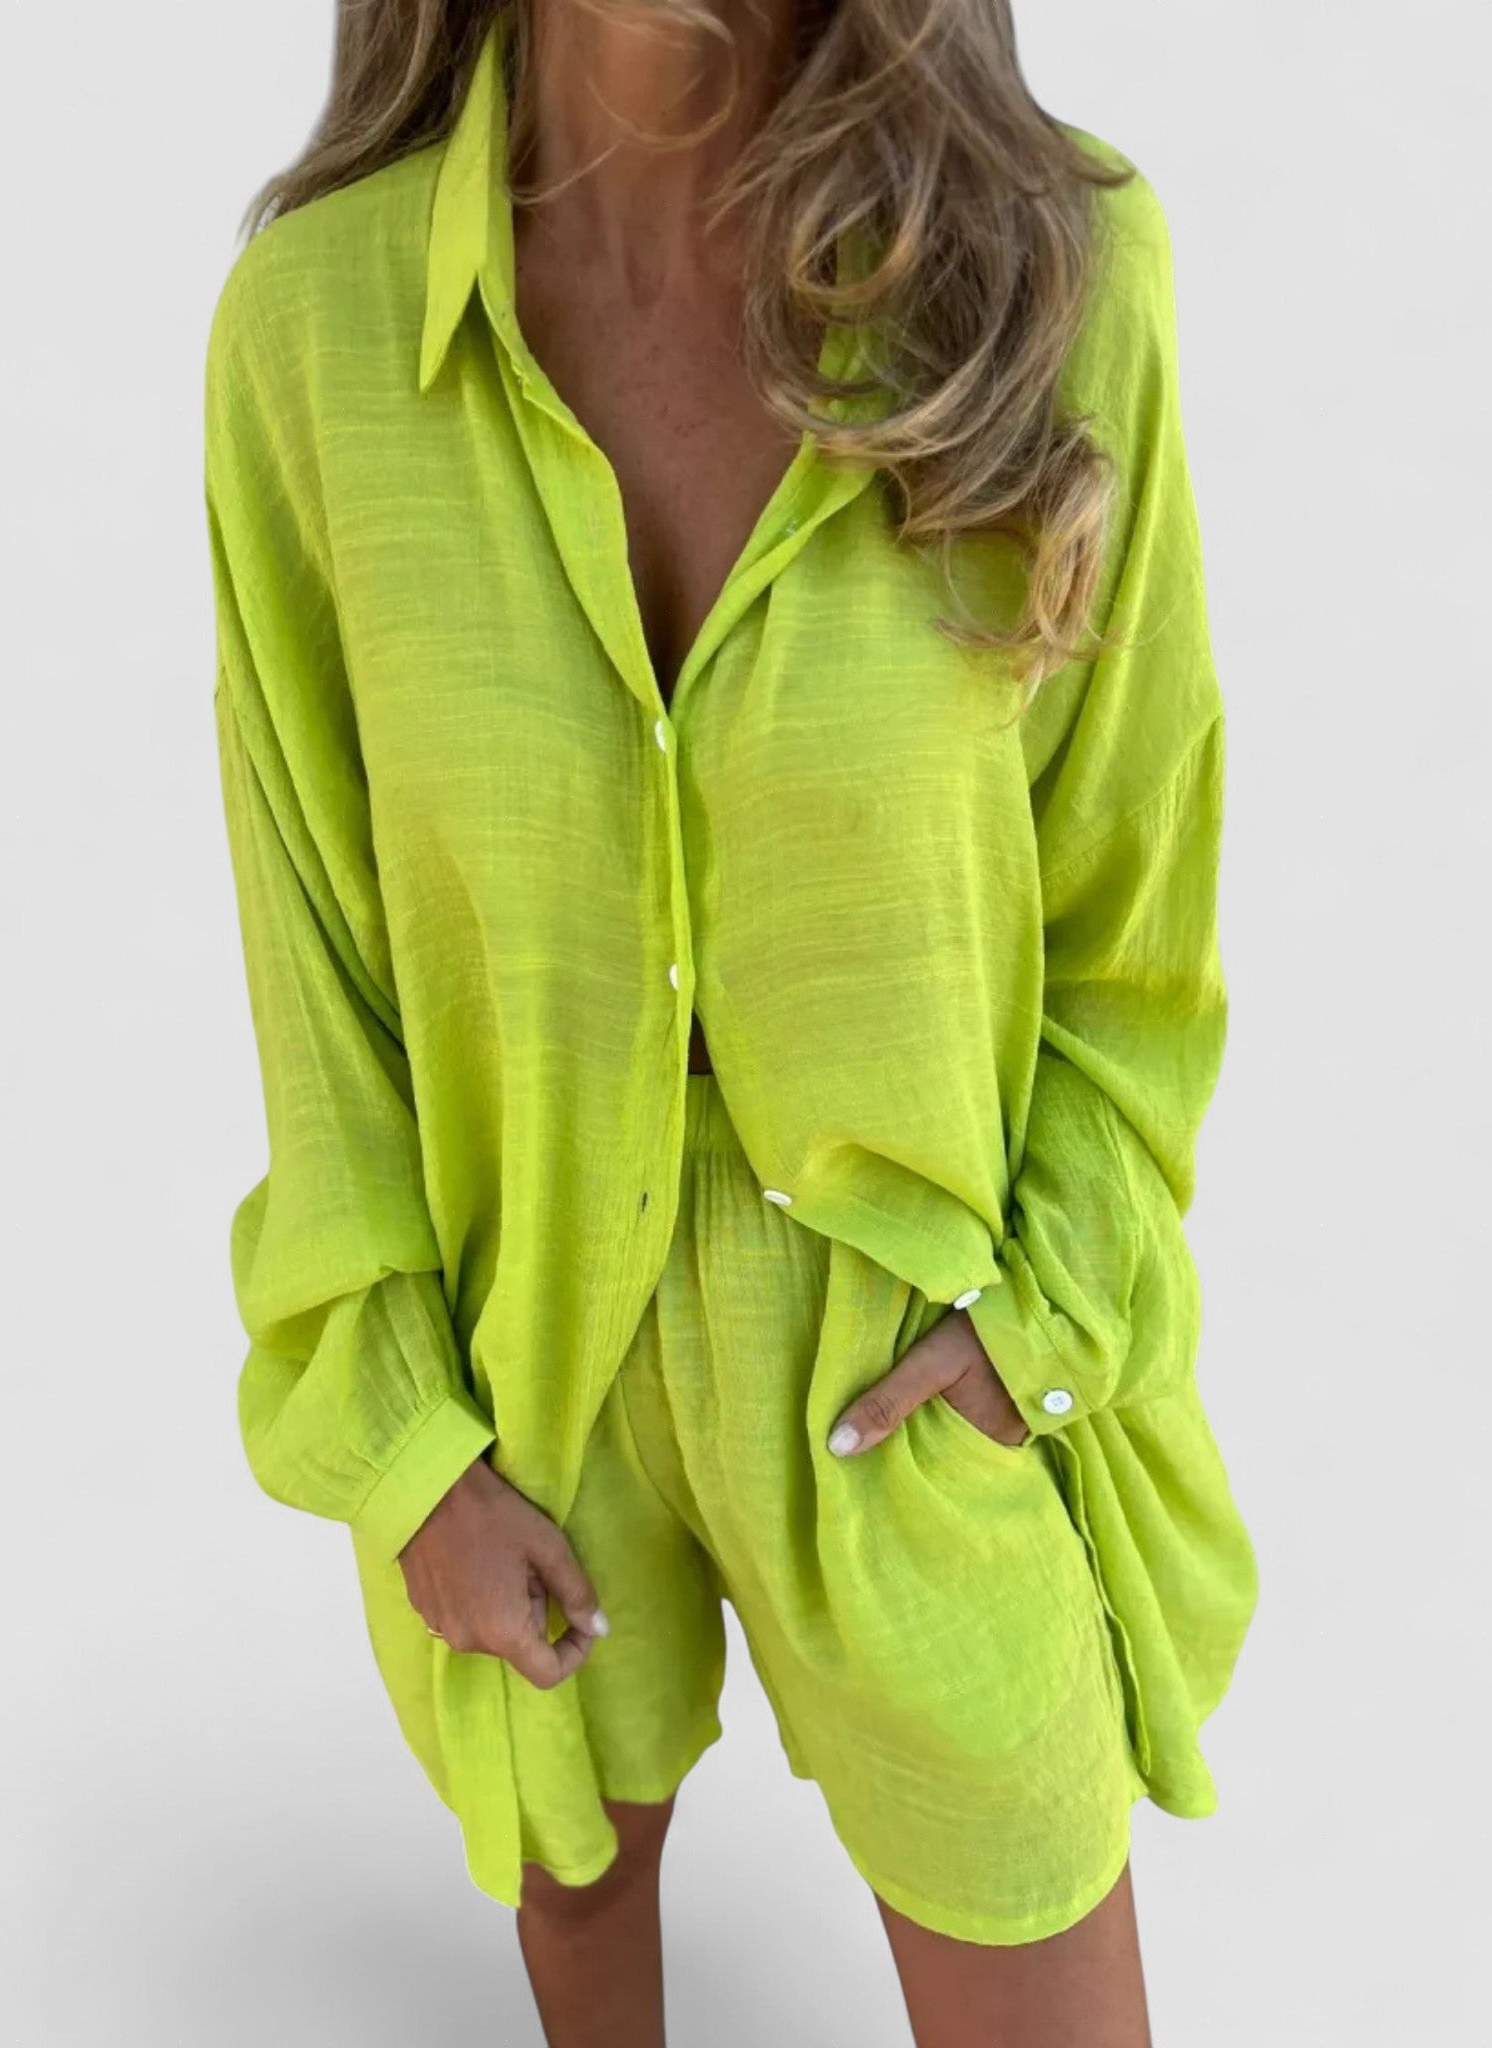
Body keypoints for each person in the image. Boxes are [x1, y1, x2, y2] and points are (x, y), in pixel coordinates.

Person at [202, 0, 1259, 2040]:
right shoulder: (312, 338)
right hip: (527, 1358)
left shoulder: (1054, 275)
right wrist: (411, 1448)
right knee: (583, 1908)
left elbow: (1139, 924)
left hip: (911, 1346)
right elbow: (316, 964)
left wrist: (1036, 1322)